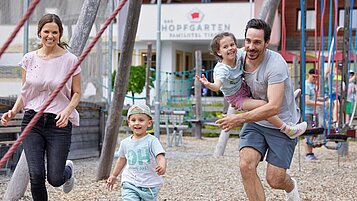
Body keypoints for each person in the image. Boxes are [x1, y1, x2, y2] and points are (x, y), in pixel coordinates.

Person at [216, 19, 301, 201]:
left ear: (267, 42)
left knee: (275, 179)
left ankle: (291, 186)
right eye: (248, 41)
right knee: (246, 165)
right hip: (255, 122)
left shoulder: (275, 64)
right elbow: (224, 72)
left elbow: (273, 107)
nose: (251, 47)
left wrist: (238, 119)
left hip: (281, 123)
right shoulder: (239, 56)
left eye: (257, 42)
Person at [0, 13, 80, 200]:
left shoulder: (70, 60)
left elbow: (77, 93)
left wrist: (67, 111)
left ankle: (67, 171)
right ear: (39, 33)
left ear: (60, 34)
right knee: (36, 175)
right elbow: (26, 92)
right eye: (46, 31)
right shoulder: (29, 59)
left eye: (54, 32)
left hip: (58, 124)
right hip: (32, 121)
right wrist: (13, 111)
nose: (50, 36)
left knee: (55, 178)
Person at [196, 32, 307, 139]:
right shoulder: (221, 70)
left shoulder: (239, 53)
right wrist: (208, 84)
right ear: (218, 52)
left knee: (264, 86)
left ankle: (287, 97)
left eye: (232, 44)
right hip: (237, 98)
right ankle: (287, 129)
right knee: (263, 105)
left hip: (244, 87)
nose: (230, 48)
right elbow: (217, 86)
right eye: (225, 47)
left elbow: (247, 48)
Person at [106, 104, 166, 201]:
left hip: (149, 185)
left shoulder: (152, 141)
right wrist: (114, 175)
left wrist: (162, 166)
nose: (137, 123)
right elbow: (122, 159)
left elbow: (160, 156)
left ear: (149, 123)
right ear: (129, 123)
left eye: (141, 120)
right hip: (130, 182)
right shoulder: (125, 143)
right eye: (133, 120)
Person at [304, 68, 325, 161]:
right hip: (308, 112)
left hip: (313, 112)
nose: (315, 79)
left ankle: (310, 151)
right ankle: (308, 153)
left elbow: (314, 98)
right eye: (313, 77)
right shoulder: (307, 85)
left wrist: (322, 100)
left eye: (317, 77)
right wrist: (322, 104)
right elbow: (307, 101)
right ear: (309, 75)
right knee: (309, 133)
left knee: (313, 133)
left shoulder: (313, 85)